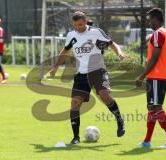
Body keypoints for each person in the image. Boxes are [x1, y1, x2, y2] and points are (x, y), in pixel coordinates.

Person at [50, 11, 126, 144]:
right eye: (75, 25)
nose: (78, 28)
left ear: (85, 22)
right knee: (75, 103)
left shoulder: (95, 32)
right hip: (81, 73)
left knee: (104, 95)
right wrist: (56, 66)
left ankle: (120, 121)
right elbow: (65, 50)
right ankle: (76, 137)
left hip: (97, 70)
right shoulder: (71, 35)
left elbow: (111, 43)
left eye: (80, 25)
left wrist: (119, 53)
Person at [136, 8, 166, 148]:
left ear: (156, 19)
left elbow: (154, 58)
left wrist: (142, 76)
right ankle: (147, 141)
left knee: (156, 107)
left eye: (149, 19)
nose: (148, 22)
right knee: (151, 108)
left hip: (155, 76)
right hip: (161, 75)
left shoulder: (157, 34)